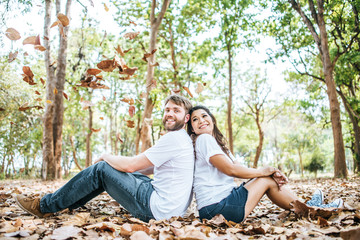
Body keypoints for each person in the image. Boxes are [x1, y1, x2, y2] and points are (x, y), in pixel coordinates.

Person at [15, 94, 194, 222]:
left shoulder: (174, 138)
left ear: (185, 118)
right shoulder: (182, 139)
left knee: (101, 169)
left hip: (156, 209)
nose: (169, 114)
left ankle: (44, 206)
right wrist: (118, 170)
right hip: (169, 208)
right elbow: (148, 168)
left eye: (176, 111)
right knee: (112, 171)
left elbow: (131, 166)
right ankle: (67, 203)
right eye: (167, 109)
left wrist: (105, 157)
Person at [187, 105, 343, 223]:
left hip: (217, 207)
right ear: (192, 129)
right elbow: (231, 170)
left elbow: (240, 168)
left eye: (204, 115)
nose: (201, 120)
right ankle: (312, 210)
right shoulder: (203, 140)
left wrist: (271, 171)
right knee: (265, 179)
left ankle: (308, 206)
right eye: (195, 119)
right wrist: (264, 172)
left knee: (267, 178)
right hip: (216, 210)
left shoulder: (219, 145)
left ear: (212, 119)